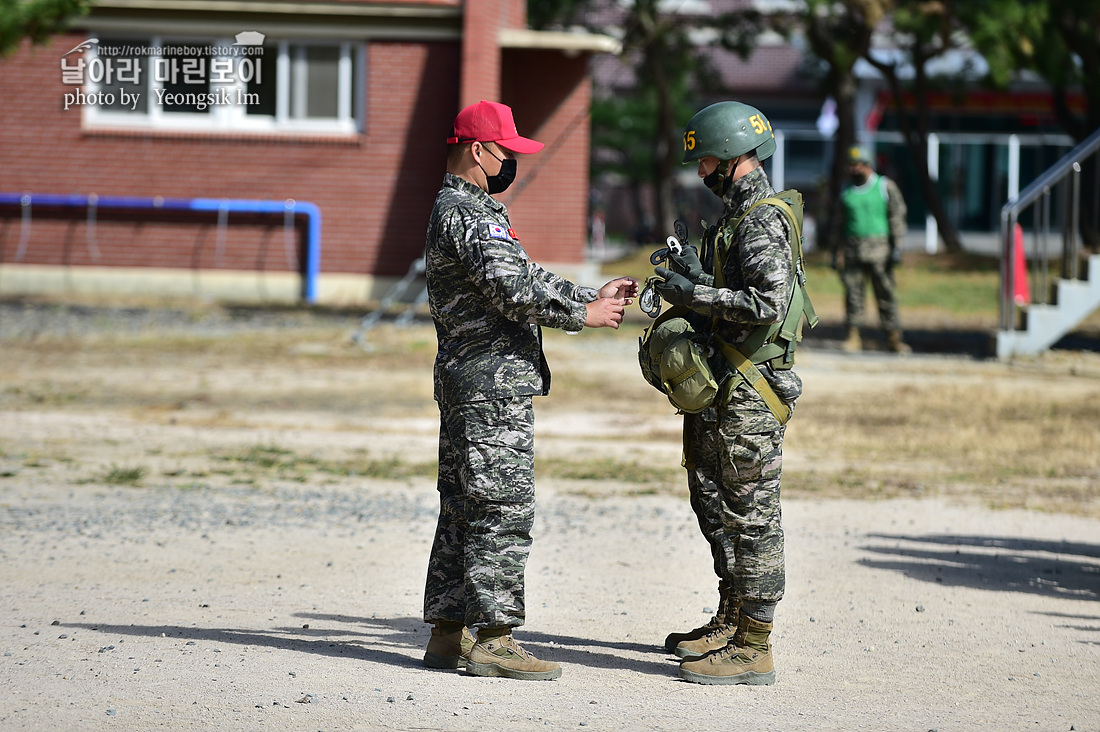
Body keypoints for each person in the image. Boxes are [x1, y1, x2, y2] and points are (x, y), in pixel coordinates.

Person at [421, 99, 638, 681]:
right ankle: (492, 638)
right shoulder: (469, 214)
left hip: (474, 381)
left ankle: (447, 634)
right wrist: (582, 315)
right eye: (506, 151)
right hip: (490, 385)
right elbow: (513, 290)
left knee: (465, 509)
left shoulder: (469, 210)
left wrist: (589, 294)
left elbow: (527, 275)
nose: (511, 162)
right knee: (500, 508)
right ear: (477, 150)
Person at [652, 100, 802, 686]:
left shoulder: (763, 218)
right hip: (726, 384)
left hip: (752, 388)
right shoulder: (737, 218)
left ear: (735, 157)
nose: (701, 172)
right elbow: (738, 288)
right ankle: (733, 617)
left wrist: (695, 295)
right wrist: (699, 275)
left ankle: (755, 644)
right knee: (715, 503)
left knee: (752, 513)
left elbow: (766, 305)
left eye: (706, 160)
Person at [834, 145, 911, 354]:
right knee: (853, 296)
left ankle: (894, 337)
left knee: (886, 295)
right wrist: (835, 251)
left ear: (867, 165)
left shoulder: (885, 186)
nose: (852, 169)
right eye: (849, 165)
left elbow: (897, 217)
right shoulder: (846, 189)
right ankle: (853, 336)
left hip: (880, 254)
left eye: (856, 165)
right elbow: (839, 223)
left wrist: (897, 247)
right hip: (852, 252)